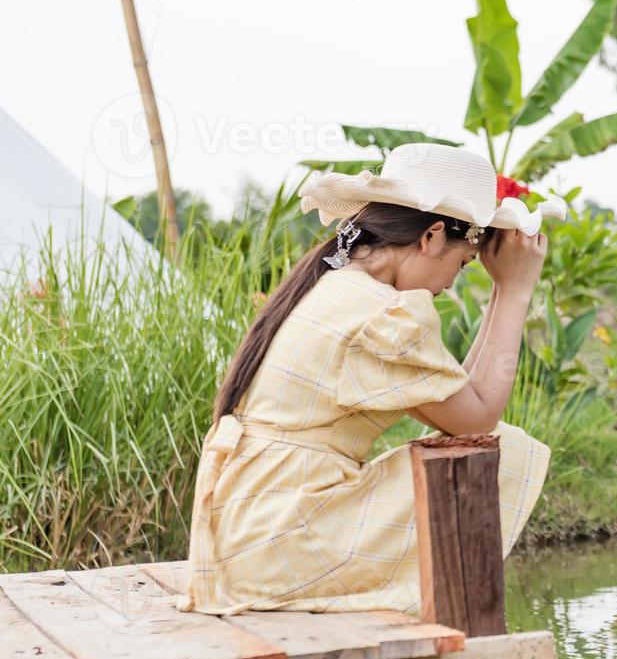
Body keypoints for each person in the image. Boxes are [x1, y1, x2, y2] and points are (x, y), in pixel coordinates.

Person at [174, 143, 559, 616]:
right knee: (503, 451)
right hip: (280, 541)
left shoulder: (331, 286)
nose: (450, 285)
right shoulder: (385, 314)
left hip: (247, 534)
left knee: (478, 448)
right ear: (433, 236)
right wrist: (515, 292)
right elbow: (478, 419)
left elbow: (464, 397)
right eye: (460, 265)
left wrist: (504, 290)